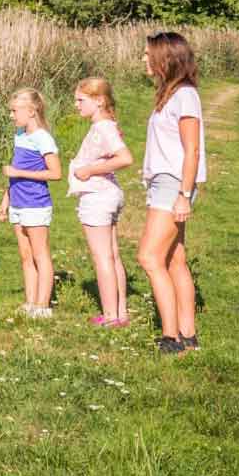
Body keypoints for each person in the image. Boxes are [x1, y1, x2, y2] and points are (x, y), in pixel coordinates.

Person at [138, 32, 206, 355]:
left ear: (165, 58)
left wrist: (183, 193)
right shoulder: (169, 93)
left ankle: (171, 338)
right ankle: (188, 335)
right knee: (175, 258)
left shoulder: (185, 96)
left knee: (149, 257)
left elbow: (191, 150)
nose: (143, 59)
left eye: (147, 54)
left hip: (173, 183)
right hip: (163, 182)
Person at [67, 77, 133, 327]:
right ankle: (121, 313)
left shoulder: (103, 127)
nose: (76, 105)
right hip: (108, 194)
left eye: (81, 100)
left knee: (103, 257)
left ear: (99, 101)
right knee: (113, 255)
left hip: (98, 197)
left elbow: (125, 158)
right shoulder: (105, 126)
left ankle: (110, 316)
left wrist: (90, 170)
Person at [0, 88, 62, 318]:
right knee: (25, 255)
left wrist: (19, 172)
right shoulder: (20, 136)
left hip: (35, 203)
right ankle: (30, 302)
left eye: (15, 111)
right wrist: (6, 200)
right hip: (18, 204)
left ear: (32, 111)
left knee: (39, 254)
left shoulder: (43, 138)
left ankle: (43, 306)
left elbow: (55, 173)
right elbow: (14, 174)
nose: (11, 116)